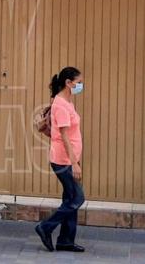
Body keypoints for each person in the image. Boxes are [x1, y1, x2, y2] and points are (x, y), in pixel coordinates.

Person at [35, 67, 86, 253]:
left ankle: (66, 240)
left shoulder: (66, 102)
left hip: (68, 158)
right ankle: (45, 227)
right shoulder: (61, 105)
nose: (81, 85)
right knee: (77, 198)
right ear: (68, 83)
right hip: (64, 160)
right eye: (78, 82)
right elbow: (64, 136)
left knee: (69, 198)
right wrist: (74, 163)